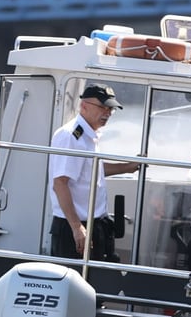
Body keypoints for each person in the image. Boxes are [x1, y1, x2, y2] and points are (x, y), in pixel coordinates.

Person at [49, 83, 138, 261]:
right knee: (75, 282)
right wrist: (76, 228)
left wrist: (127, 167)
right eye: (103, 108)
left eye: (110, 109)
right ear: (84, 106)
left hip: (95, 224)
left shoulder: (90, 135)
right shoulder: (71, 136)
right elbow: (60, 183)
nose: (107, 113)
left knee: (96, 281)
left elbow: (93, 170)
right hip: (74, 227)